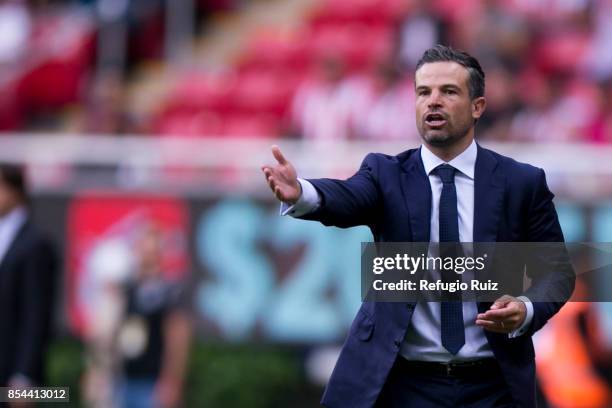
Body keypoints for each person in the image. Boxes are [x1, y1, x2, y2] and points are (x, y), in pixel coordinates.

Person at [261, 45, 575, 407]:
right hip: (403, 384)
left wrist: (526, 307)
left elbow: (557, 272)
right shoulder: (385, 173)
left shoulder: (522, 182)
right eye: (424, 92)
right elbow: (347, 198)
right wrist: (302, 192)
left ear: (478, 107)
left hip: (493, 385)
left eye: (449, 91)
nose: (433, 101)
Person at [0, 164, 57, 388]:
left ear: (15, 191)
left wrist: (24, 375)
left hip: (11, 373)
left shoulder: (35, 244)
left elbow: (35, 314)